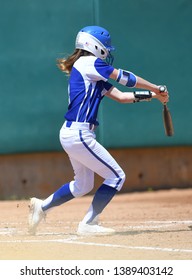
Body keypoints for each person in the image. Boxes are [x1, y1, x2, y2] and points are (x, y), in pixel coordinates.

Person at [28, 25, 169, 235]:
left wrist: (153, 96)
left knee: (83, 185)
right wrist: (154, 87)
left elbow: (122, 97)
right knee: (117, 176)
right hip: (79, 134)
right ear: (94, 46)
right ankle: (89, 223)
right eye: (106, 48)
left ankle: (41, 207)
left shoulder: (88, 70)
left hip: (72, 133)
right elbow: (124, 77)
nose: (108, 52)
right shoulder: (88, 63)